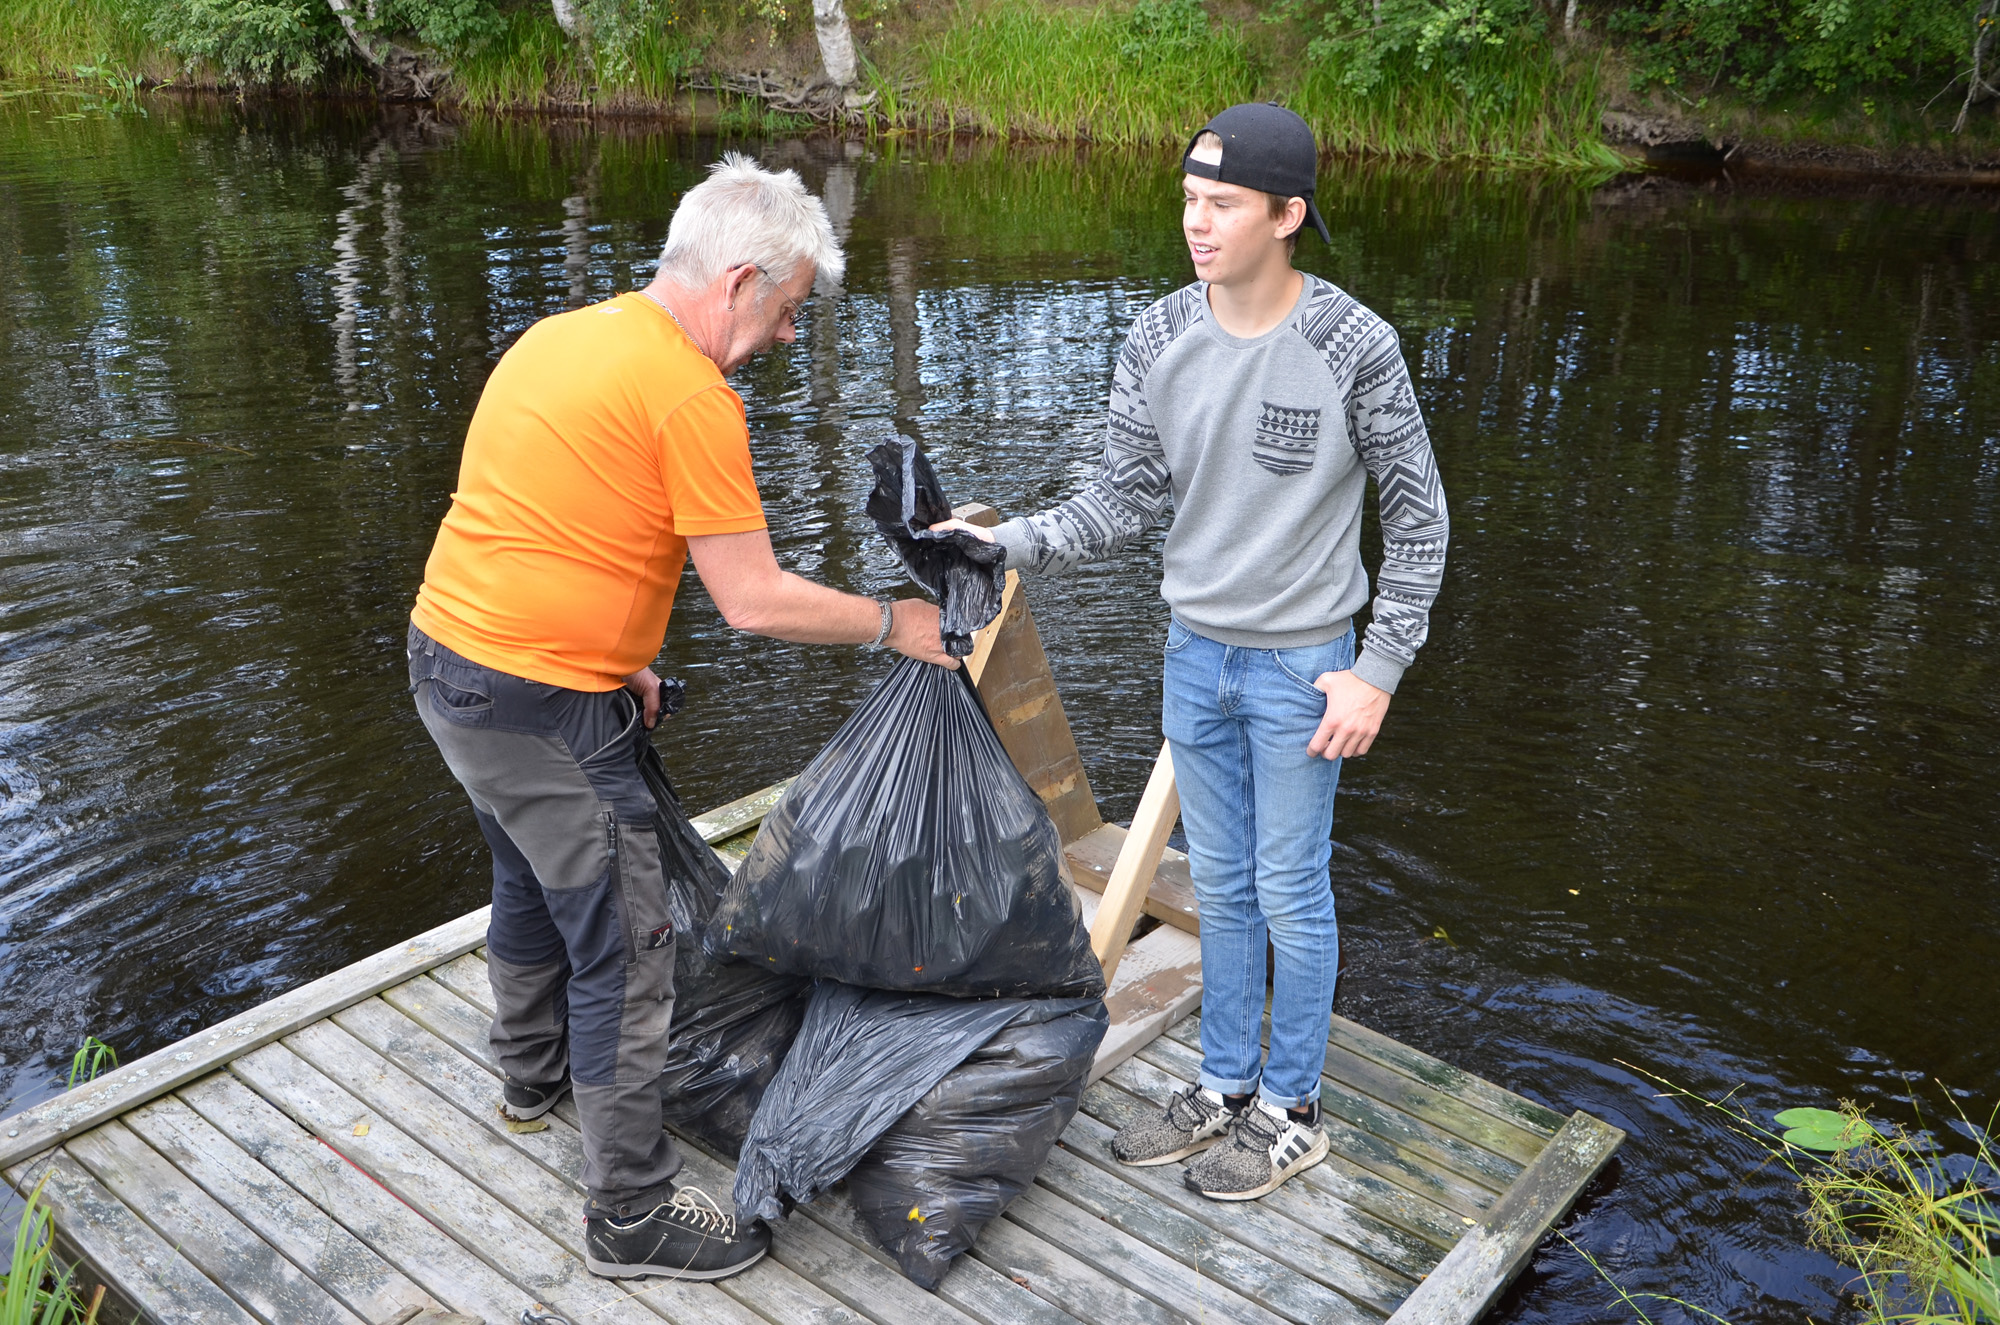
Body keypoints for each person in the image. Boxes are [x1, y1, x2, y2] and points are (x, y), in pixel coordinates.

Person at [406, 153, 955, 1281]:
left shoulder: (566, 336)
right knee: (630, 936)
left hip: (449, 665)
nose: (791, 336)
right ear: (740, 279)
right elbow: (751, 600)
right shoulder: (691, 396)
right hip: (537, 701)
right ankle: (630, 1213)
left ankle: (530, 1076)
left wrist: (626, 660)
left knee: (528, 876)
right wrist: (892, 622)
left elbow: (546, 519)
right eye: (792, 309)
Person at [935, 103, 1449, 1202]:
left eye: (1219, 204)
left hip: (1304, 666)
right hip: (1193, 655)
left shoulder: (1352, 345)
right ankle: (1220, 1088)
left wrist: (1377, 670)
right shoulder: (1157, 335)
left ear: (1285, 214)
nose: (1194, 223)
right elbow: (1121, 497)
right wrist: (1005, 539)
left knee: (1289, 888)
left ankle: (1291, 1109)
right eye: (1187, 200)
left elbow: (1419, 521)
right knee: (1220, 881)